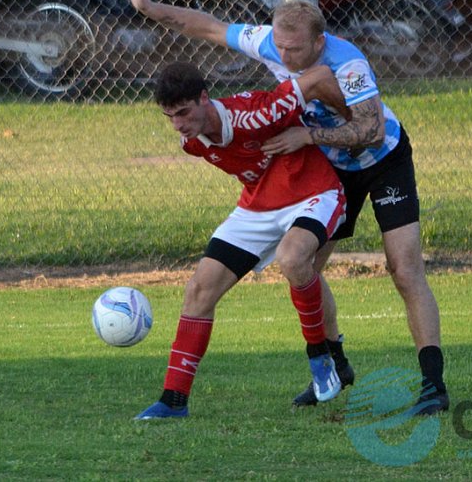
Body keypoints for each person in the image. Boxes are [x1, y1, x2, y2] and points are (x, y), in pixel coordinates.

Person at [120, 0, 449, 414]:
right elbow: (208, 27)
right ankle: (334, 365)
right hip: (332, 169)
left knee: (404, 268)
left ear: (319, 42)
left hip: (382, 160)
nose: (284, 56)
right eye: (279, 46)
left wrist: (309, 135)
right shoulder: (273, 44)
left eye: (295, 49)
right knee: (304, 266)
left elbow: (370, 130)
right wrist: (148, 6)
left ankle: (433, 386)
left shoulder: (347, 62)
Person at [136, 61, 350, 419]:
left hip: (313, 190)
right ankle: (173, 401)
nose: (178, 125)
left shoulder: (257, 112)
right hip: (258, 205)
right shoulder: (193, 143)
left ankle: (320, 358)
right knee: (199, 290)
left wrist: (351, 121)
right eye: (169, 117)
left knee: (293, 258)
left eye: (184, 113)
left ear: (205, 99)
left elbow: (320, 77)